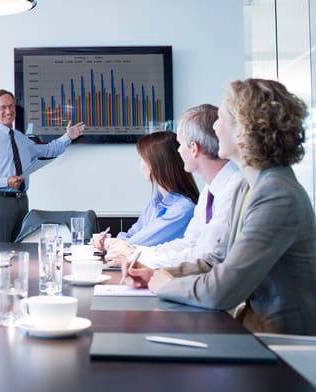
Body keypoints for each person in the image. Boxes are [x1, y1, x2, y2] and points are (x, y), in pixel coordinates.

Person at [124, 79, 316, 335]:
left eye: (222, 118)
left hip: (280, 343)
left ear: (245, 129)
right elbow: (217, 260)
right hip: (253, 331)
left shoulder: (276, 195)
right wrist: (156, 274)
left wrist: (164, 285)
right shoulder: (252, 187)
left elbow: (221, 290)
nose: (215, 126)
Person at [104, 105, 243, 268]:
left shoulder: (234, 189)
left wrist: (135, 255)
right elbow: (188, 244)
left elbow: (207, 256)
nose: (178, 151)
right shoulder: (210, 190)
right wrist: (135, 252)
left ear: (193, 148)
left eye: (180, 144)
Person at [0, 89, 85, 242]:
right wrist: (6, 181)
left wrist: (68, 137)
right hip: (0, 202)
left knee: (20, 248)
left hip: (22, 201)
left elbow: (46, 150)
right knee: (1, 250)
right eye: (3, 107)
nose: (8, 111)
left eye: (11, 106)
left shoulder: (20, 138)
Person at [96, 131, 199, 248]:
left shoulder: (182, 209)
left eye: (142, 158)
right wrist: (112, 241)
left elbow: (135, 244)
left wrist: (108, 243)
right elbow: (131, 235)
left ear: (157, 163)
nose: (140, 163)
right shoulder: (155, 202)